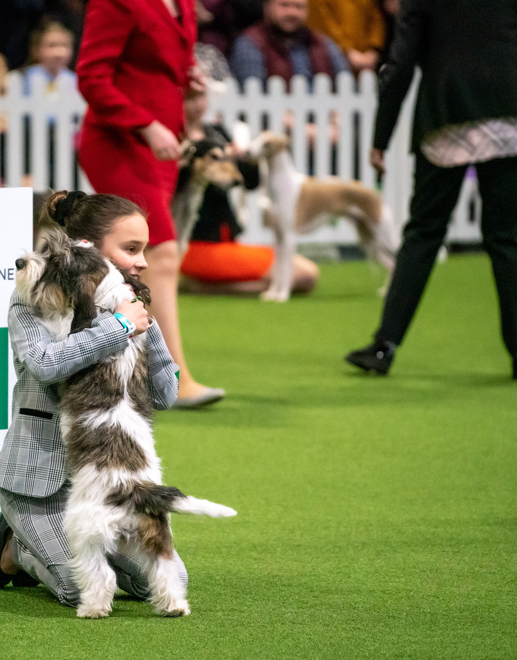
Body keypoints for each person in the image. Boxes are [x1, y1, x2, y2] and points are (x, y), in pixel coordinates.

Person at [0, 190, 185, 608]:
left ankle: (92, 550)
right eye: (131, 249)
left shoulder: (129, 307)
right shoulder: (30, 301)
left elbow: (165, 396)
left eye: (143, 249)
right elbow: (46, 365)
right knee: (77, 589)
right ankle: (17, 549)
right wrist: (118, 328)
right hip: (42, 487)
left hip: (110, 486)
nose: (143, 261)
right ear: (88, 248)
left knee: (162, 581)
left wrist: (147, 327)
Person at [345, 0, 517, 380]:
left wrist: (381, 135)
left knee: (424, 233)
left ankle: (385, 346)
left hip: (447, 112)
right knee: (507, 237)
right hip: (511, 110)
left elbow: (401, 64)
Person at [77, 0, 225, 408]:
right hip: (120, 142)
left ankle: (126, 371)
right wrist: (145, 122)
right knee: (159, 251)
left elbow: (161, 70)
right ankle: (172, 378)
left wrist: (187, 89)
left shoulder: (185, 7)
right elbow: (91, 78)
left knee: (134, 259)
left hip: (161, 146)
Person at [180, 85, 320, 293]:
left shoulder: (216, 132)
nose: (198, 104)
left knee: (304, 273)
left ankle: (205, 285)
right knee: (302, 274)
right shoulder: (177, 141)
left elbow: (250, 183)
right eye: (190, 98)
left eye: (201, 96)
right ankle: (206, 285)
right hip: (197, 243)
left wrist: (243, 160)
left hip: (227, 241)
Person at [228, 0, 349, 90]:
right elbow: (252, 95)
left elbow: (346, 85)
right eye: (284, 5)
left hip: (324, 120)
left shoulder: (322, 43)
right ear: (267, 7)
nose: (292, 12)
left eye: (298, 7)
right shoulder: (250, 43)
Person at [305, 0, 385, 73]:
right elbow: (323, 22)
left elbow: (376, 16)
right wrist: (347, 51)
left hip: (367, 62)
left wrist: (372, 50)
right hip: (334, 58)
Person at [21, 19, 75, 96]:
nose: (58, 53)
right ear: (36, 49)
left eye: (64, 45)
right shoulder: (20, 80)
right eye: (52, 45)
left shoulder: (77, 83)